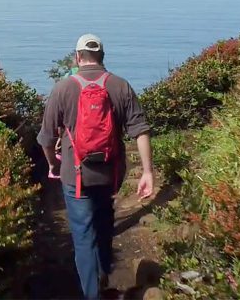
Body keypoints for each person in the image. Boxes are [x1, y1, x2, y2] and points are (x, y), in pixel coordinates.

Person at [37, 33, 154, 299]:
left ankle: (92, 293)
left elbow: (46, 138)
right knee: (103, 220)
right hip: (111, 174)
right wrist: (147, 172)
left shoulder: (63, 88)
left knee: (83, 236)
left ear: (78, 57)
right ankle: (103, 275)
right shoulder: (120, 86)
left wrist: (53, 163)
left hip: (75, 176)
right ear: (102, 57)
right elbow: (141, 131)